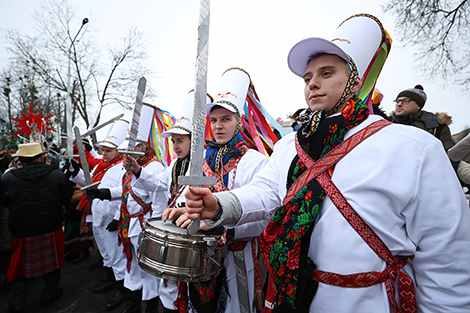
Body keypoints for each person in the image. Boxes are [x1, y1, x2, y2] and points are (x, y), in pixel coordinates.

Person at [173, 14, 470, 312]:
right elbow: (267, 192)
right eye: (307, 78)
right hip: (290, 299)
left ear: (355, 81)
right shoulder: (291, 144)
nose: (313, 83)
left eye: (326, 74)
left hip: (367, 302)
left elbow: (446, 257)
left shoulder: (413, 147)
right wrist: (222, 205)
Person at [165, 68, 270, 313]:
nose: (218, 126)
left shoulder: (255, 161)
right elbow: (187, 195)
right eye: (213, 120)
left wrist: (222, 227)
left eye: (226, 119)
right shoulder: (201, 159)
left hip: (239, 256)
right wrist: (179, 209)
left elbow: (265, 212)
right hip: (202, 257)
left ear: (239, 122)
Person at [0, 142, 74, 312]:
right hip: (51, 225)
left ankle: (16, 304)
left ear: (20, 159)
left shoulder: (7, 179)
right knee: (53, 264)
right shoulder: (56, 175)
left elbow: (4, 202)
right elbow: (68, 198)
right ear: (42, 157)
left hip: (21, 229)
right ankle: (49, 295)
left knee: (19, 269)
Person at [115, 103, 168, 313]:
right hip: (130, 225)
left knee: (148, 270)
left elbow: (159, 202)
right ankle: (133, 304)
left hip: (144, 226)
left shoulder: (154, 166)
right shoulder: (131, 166)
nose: (127, 152)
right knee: (133, 267)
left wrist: (153, 230)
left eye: (132, 146)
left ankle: (150, 306)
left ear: (142, 147)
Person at [74, 119, 129, 311]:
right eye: (103, 150)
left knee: (117, 255)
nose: (104, 154)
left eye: (108, 150)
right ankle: (110, 279)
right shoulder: (101, 165)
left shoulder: (122, 167)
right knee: (105, 253)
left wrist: (117, 218)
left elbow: (123, 192)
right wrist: (75, 173)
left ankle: (122, 289)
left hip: (110, 218)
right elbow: (90, 184)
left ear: (118, 151)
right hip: (97, 214)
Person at [390, 84, 454, 151]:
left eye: (405, 101)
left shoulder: (436, 126)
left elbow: (449, 155)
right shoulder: (386, 123)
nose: (399, 104)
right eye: (397, 101)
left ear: (418, 106)